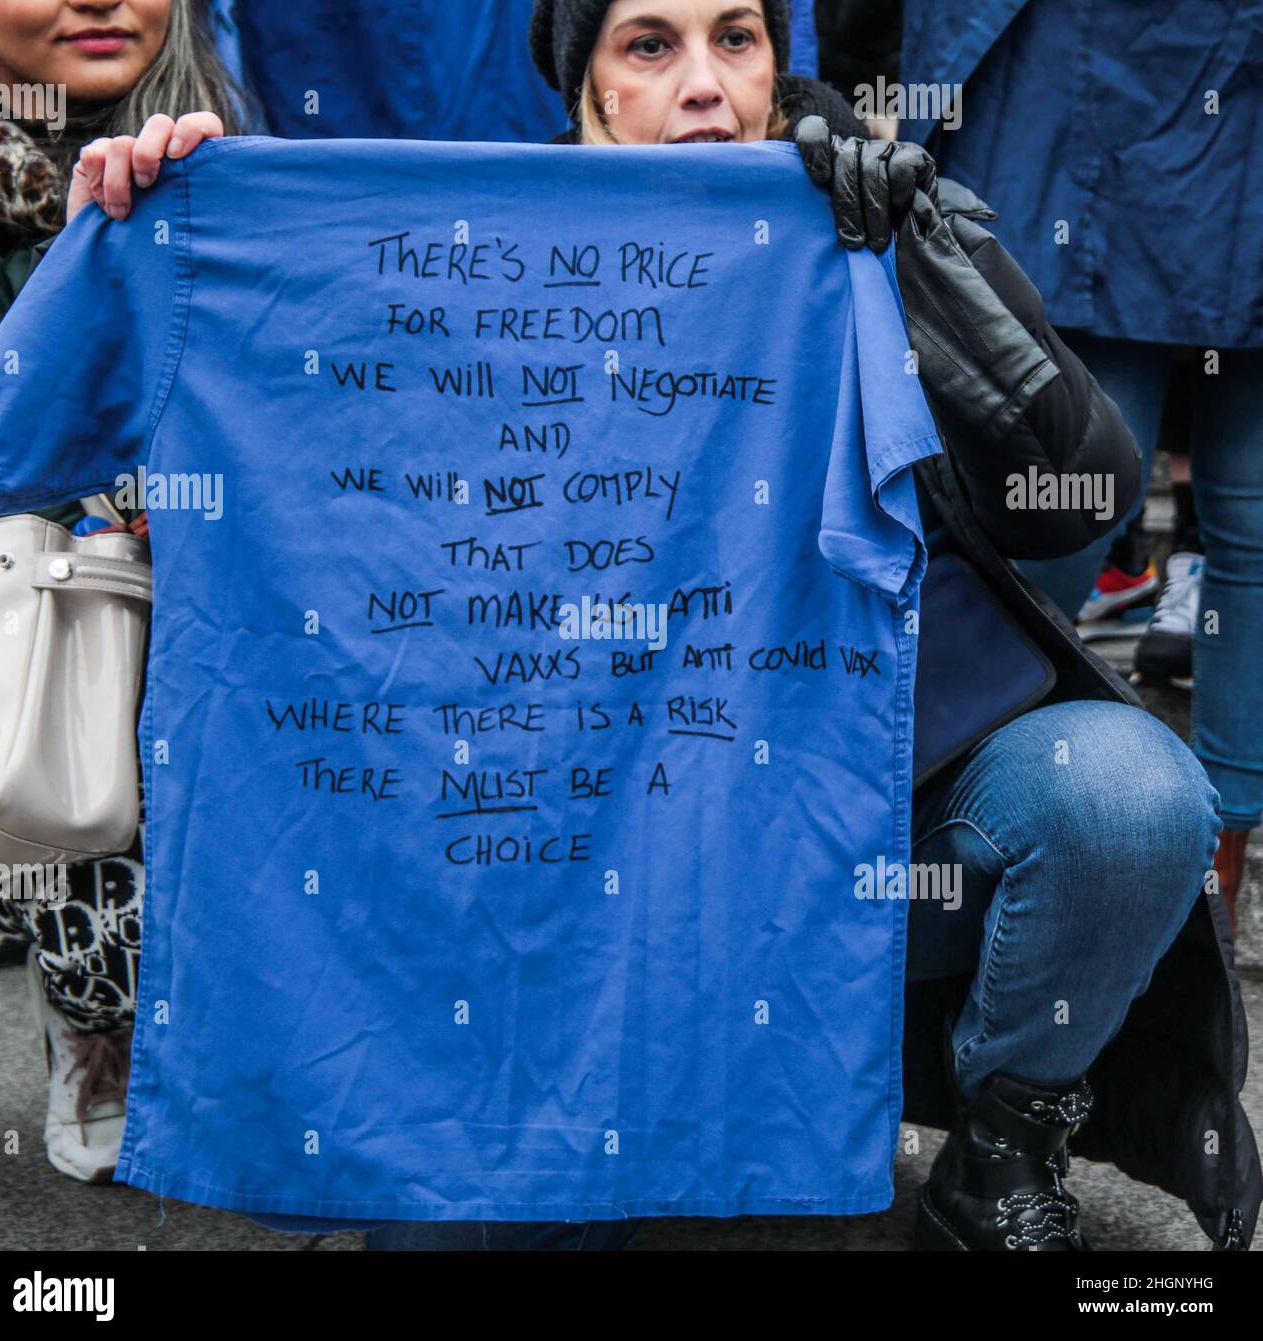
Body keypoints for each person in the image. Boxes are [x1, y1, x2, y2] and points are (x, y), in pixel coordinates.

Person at [66, 0, 1259, 1251]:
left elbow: (1080, 496)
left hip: (852, 842)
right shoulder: (455, 269)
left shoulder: (858, 219)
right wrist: (163, 207)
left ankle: (1003, 1143)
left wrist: (917, 269)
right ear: (581, 88)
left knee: (1123, 793)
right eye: (649, 45)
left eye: (735, 39)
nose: (703, 84)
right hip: (558, 876)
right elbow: (164, 434)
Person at [894, 0, 1263, 932]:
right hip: (1101, 93)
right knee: (1132, 500)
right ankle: (1196, 870)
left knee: (1061, 494)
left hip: (1065, 96)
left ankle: (1040, 853)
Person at [0, 0, 244, 1181]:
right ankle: (100, 1028)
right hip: (23, 636)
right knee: (74, 808)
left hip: (208, 622)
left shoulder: (249, 170)